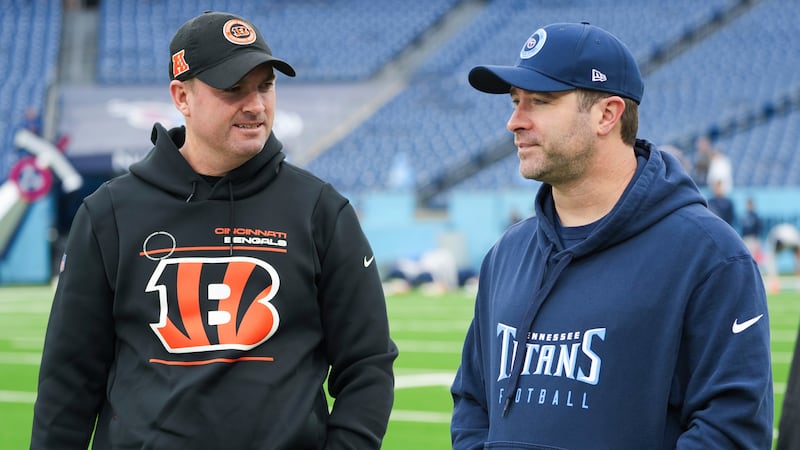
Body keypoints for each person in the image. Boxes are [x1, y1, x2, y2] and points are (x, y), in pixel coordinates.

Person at [31, 11, 397, 449]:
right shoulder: (109, 213)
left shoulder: (320, 210)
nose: (256, 105)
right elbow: (67, 382)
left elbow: (368, 364)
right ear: (181, 97)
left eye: (265, 85)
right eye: (232, 88)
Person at [450, 22, 773, 449]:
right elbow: (473, 404)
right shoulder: (507, 254)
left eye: (540, 101)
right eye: (514, 102)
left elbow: (731, 432)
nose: (514, 121)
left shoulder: (708, 256)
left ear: (607, 114)